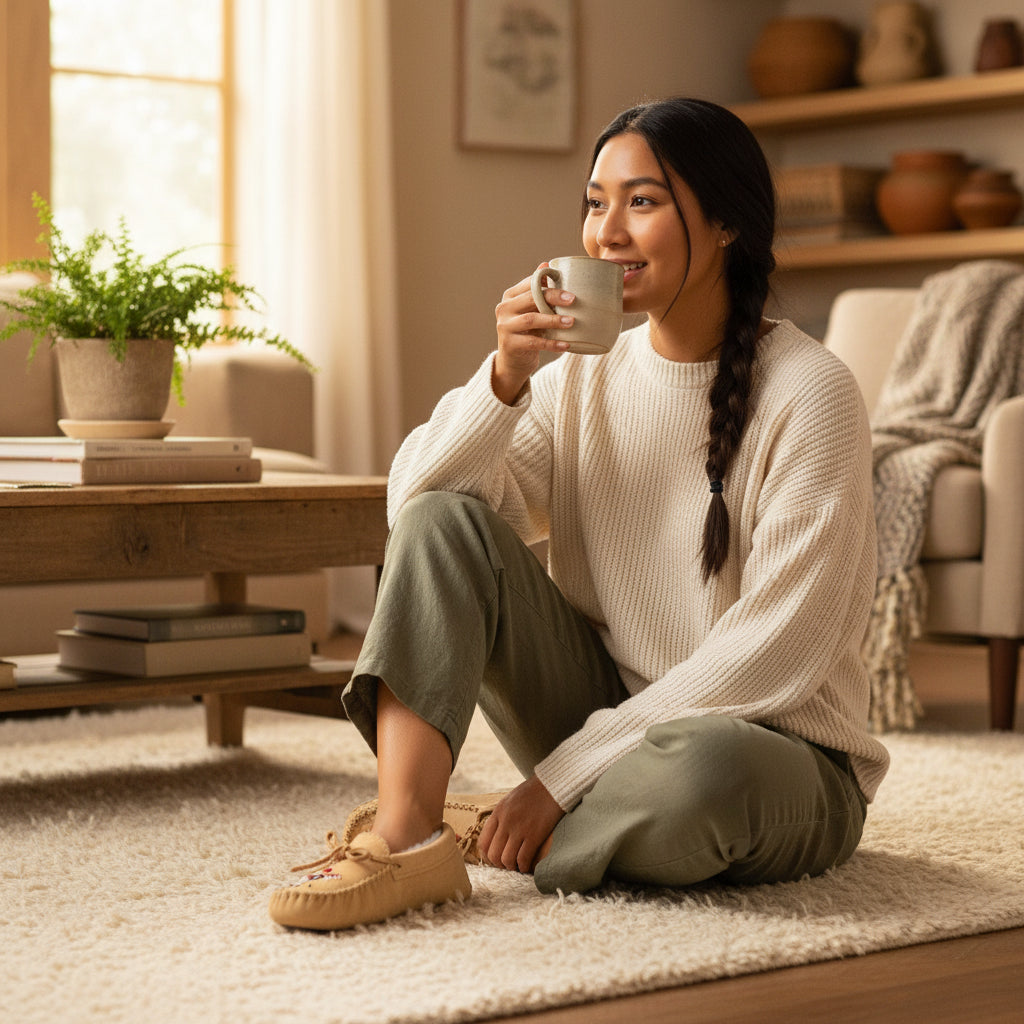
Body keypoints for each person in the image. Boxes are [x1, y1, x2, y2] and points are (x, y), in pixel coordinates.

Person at [268, 97, 890, 932]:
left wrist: (561, 780)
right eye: (596, 203)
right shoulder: (581, 377)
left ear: (728, 223)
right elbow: (415, 512)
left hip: (773, 750)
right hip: (601, 717)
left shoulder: (813, 393)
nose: (607, 233)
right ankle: (408, 838)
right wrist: (503, 381)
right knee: (447, 521)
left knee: (698, 776)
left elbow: (777, 649)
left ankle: (500, 831)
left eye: (643, 201)